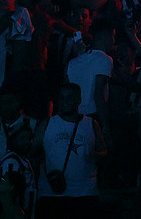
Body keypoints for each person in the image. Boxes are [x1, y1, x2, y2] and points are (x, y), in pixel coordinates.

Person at [33, 83, 106, 219]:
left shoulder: (91, 124)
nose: (65, 102)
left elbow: (103, 151)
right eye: (62, 98)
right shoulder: (47, 124)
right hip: (52, 191)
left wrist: (94, 155)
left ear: (78, 100)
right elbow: (34, 152)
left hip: (84, 191)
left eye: (69, 98)